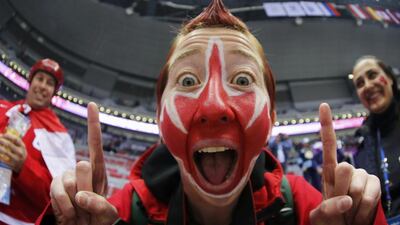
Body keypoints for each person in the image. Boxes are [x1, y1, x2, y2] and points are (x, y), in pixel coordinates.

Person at [41, 1, 387, 225]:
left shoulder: (307, 208)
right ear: (160, 115)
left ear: (272, 114)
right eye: (189, 80)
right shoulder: (117, 213)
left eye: (241, 80)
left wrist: (366, 219)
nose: (213, 106)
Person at [0, 58, 76, 224]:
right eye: (39, 79)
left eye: (49, 83)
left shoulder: (60, 137)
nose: (42, 85)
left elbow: (58, 198)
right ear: (31, 81)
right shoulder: (2, 108)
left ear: (54, 92)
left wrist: (23, 166)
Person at [352, 55, 400, 218]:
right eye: (360, 83)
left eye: (372, 75)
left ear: (390, 79)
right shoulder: (364, 141)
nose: (367, 85)